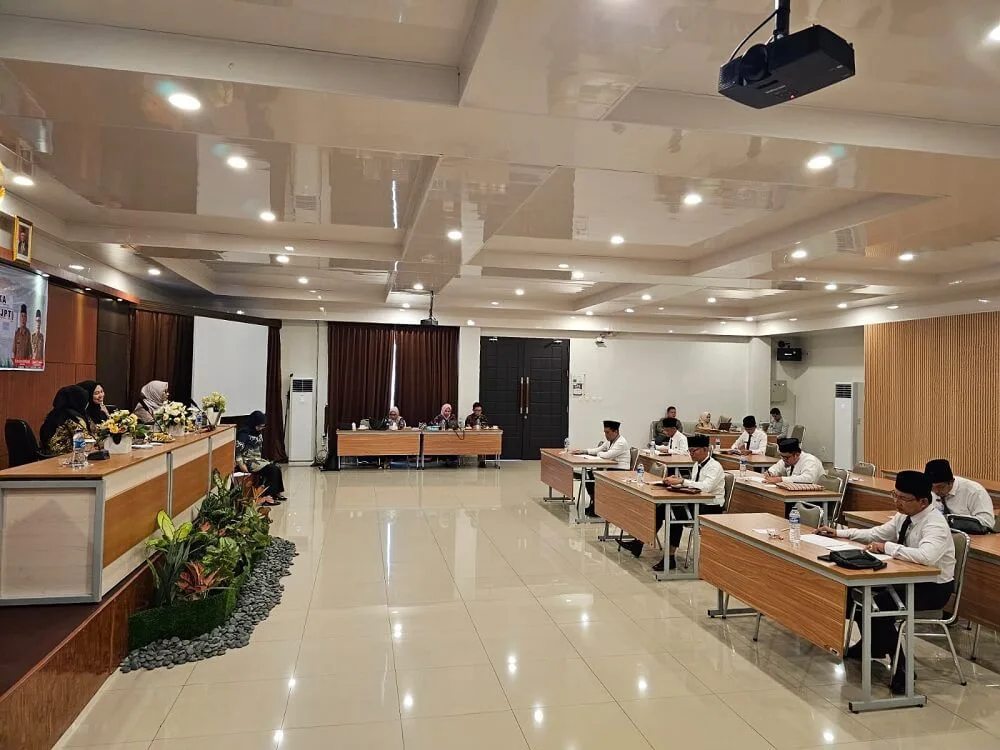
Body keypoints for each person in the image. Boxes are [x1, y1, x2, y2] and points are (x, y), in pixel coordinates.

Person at [817, 471, 955, 695]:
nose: (897, 502)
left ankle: (902, 668)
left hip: (932, 587)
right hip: (904, 578)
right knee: (853, 594)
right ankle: (872, 645)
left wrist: (887, 547)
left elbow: (926, 557)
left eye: (903, 498)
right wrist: (841, 533)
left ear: (923, 502)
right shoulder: (904, 516)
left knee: (879, 605)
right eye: (895, 495)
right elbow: (877, 533)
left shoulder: (935, 524)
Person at [623, 434, 725, 571]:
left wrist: (682, 481)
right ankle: (639, 543)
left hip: (711, 507)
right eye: (689, 451)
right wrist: (675, 482)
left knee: (675, 514)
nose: (691, 454)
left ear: (705, 449)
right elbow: (694, 485)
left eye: (694, 450)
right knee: (660, 509)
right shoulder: (697, 464)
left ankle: (669, 557)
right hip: (696, 501)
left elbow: (706, 487)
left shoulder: (714, 467)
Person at [574, 419, 631, 517]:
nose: (606, 435)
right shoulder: (609, 441)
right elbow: (598, 450)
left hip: (620, 471)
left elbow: (607, 455)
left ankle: (598, 506)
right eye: (605, 432)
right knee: (588, 476)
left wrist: (599, 454)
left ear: (615, 431)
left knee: (594, 478)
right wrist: (584, 451)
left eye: (608, 432)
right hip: (610, 468)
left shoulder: (621, 442)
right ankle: (595, 503)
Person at [924, 459, 995, 531]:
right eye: (931, 487)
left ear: (951, 482)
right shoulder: (928, 490)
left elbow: (987, 522)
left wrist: (955, 521)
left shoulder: (974, 491)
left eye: (940, 487)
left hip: (970, 534)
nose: (936, 491)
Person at [236, 411, 286, 506]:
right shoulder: (244, 433)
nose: (261, 428)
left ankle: (275, 493)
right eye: (259, 426)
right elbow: (237, 451)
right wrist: (241, 465)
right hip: (248, 461)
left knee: (276, 468)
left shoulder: (258, 432)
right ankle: (266, 496)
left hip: (257, 459)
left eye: (262, 426)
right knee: (272, 470)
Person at [39, 385, 95, 455]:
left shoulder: (54, 413)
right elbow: (87, 441)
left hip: (48, 456)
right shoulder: (73, 417)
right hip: (63, 456)